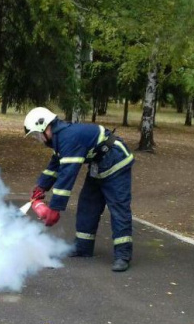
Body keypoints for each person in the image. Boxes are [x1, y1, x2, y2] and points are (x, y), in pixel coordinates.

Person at [24, 107, 135, 272]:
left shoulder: (68, 138)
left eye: (37, 134)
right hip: (99, 164)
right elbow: (55, 166)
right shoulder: (60, 138)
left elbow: (67, 174)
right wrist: (41, 186)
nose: (38, 139)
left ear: (45, 126)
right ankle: (83, 247)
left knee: (118, 208)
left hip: (116, 161)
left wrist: (54, 208)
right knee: (87, 205)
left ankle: (122, 255)